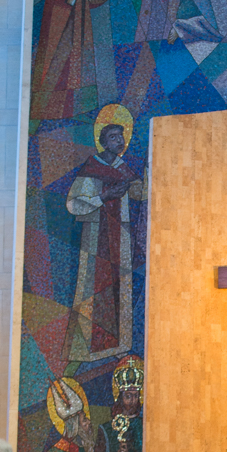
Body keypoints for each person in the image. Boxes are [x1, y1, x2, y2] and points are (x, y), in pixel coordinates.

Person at [65, 124, 142, 362]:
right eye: (113, 137)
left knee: (121, 286)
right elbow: (73, 204)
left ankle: (118, 345)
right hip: (97, 237)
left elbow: (141, 194)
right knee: (95, 289)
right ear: (103, 142)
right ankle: (88, 348)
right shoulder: (92, 168)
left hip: (121, 236)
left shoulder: (123, 168)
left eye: (121, 136)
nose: (119, 140)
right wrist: (103, 197)